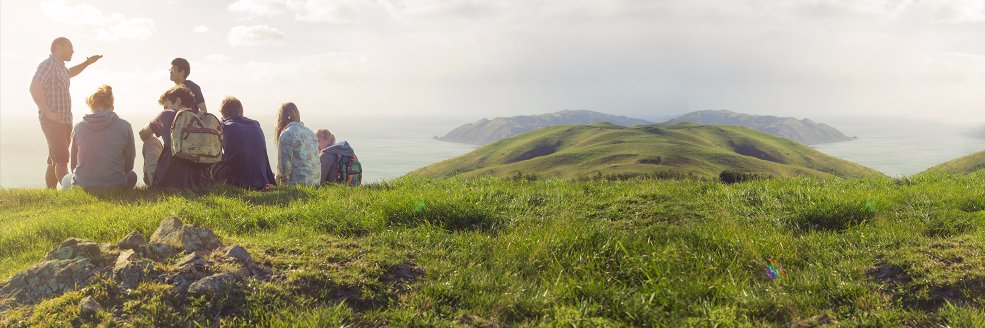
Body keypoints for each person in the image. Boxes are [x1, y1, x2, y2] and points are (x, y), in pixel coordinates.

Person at [30, 37, 102, 189]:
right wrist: (47, 112)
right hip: (52, 120)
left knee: (54, 159)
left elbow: (71, 72)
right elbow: (34, 87)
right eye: (70, 47)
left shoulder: (60, 67)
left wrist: (87, 63)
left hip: (65, 120)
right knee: (62, 158)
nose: (73, 51)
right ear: (59, 47)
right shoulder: (48, 65)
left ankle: (50, 192)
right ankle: (69, 193)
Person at [61, 85, 137, 189]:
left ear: (91, 107)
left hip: (84, 185)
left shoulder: (78, 127)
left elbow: (73, 165)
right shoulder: (125, 126)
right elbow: (129, 165)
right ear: (112, 107)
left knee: (66, 178)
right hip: (116, 185)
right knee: (132, 176)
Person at [139, 86, 213, 189]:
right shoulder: (204, 118)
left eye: (166, 106)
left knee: (150, 141)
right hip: (202, 182)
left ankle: (151, 183)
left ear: (177, 101)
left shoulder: (167, 114)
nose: (165, 109)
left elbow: (143, 134)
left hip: (169, 183)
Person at [213, 96, 275, 189]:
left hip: (238, 182)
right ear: (241, 112)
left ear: (222, 114)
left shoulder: (223, 126)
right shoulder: (255, 124)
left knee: (211, 157)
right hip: (262, 180)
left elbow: (214, 150)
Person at [274, 102, 320, 186]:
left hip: (297, 185)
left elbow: (284, 170)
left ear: (281, 118)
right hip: (315, 183)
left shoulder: (287, 134)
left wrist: (275, 182)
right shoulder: (310, 132)